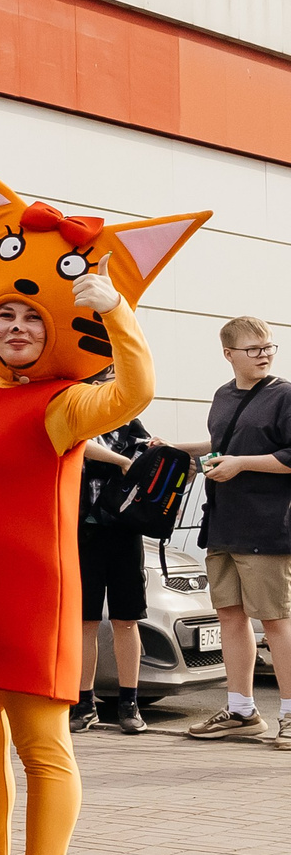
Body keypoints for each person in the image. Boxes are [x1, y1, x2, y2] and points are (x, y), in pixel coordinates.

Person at [0, 146, 204, 855]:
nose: (16, 328)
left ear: (54, 330)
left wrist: (115, 309)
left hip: (34, 592)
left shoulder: (66, 403)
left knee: (41, 746)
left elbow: (137, 392)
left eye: (33, 319)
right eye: (6, 315)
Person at [172, 318, 291, 744]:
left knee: (276, 620)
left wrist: (241, 463)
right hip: (222, 523)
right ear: (228, 354)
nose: (264, 354)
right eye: (253, 348)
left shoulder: (285, 395)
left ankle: (290, 717)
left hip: (267, 525)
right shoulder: (223, 395)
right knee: (230, 617)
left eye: (269, 347)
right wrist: (175, 449)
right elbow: (222, 446)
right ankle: (241, 711)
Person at [72, 418, 155, 735]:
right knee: (85, 621)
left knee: (127, 619)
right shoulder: (78, 417)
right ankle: (84, 703)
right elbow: (80, 448)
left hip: (125, 533)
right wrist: (121, 460)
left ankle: (128, 704)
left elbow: (146, 459)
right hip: (83, 532)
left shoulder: (130, 423)